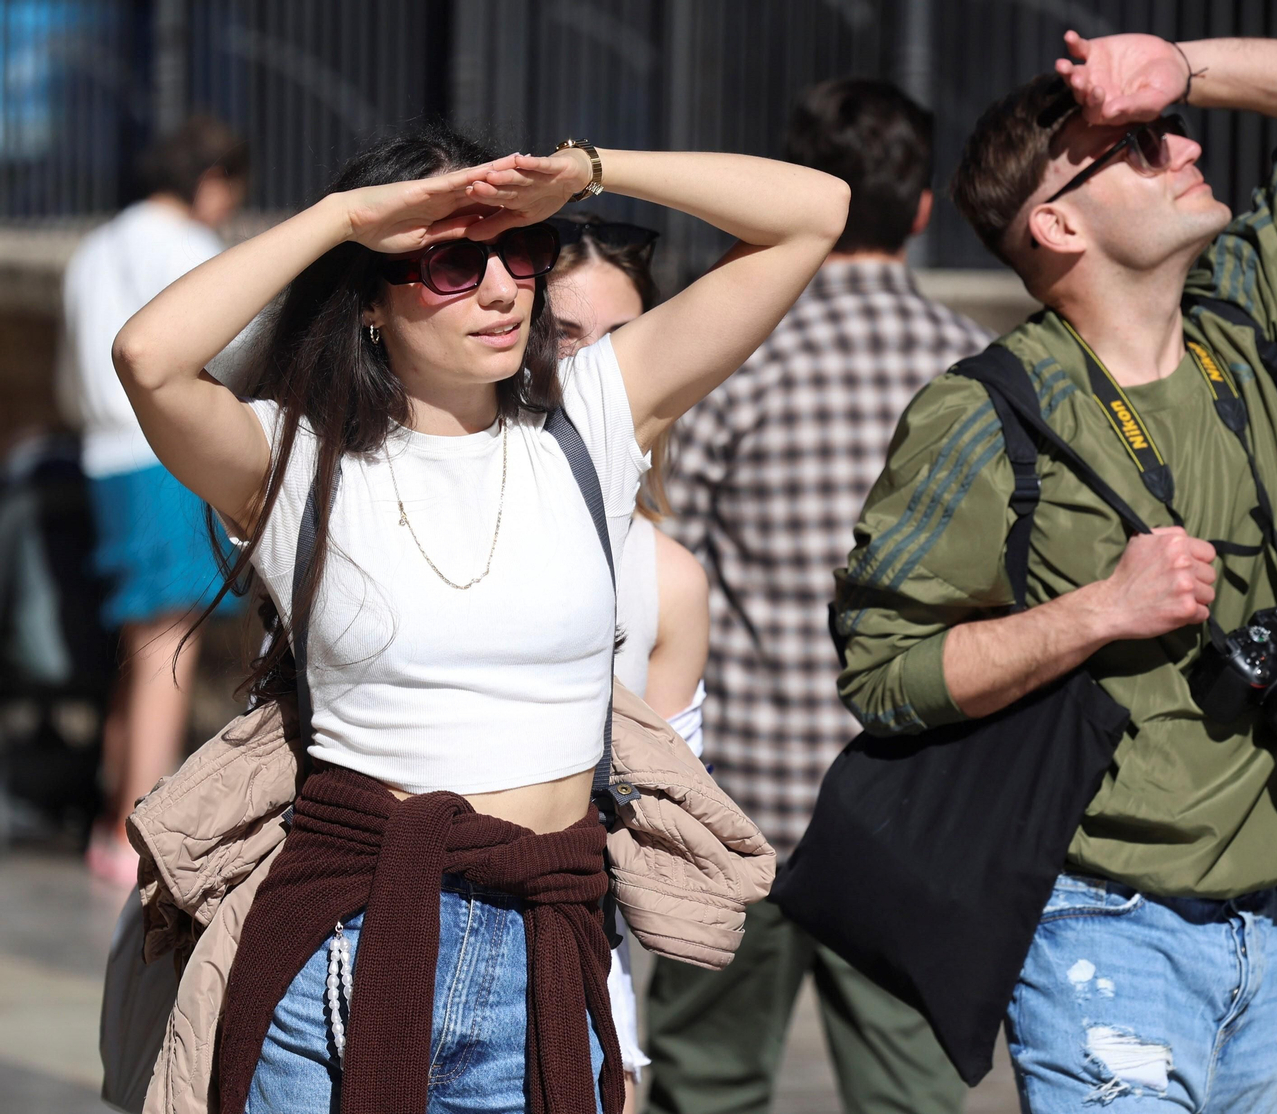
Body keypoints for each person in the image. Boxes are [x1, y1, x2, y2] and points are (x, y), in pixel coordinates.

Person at [110, 123, 848, 1113]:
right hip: (343, 944)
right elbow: (148, 355)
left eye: (520, 252)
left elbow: (813, 217)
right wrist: (344, 218)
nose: (503, 287)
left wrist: (588, 174)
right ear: (371, 300)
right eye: (452, 262)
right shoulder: (292, 460)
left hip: (547, 937)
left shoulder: (595, 414)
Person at [835, 30, 1277, 1112]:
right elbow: (883, 674)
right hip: (1103, 922)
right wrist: (1100, 610)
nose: (1185, 144)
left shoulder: (1244, 333)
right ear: (1056, 224)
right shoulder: (983, 411)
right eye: (1141, 146)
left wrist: (1177, 65)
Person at [647, 78, 989, 1114]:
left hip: (744, 802)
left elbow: (660, 582)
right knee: (913, 1094)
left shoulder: (727, 361)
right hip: (913, 811)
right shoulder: (979, 371)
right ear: (925, 206)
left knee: (703, 1083)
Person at [55, 116, 249, 887]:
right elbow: (240, 345)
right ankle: (141, 835)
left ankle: (113, 821)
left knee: (140, 644)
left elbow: (76, 371)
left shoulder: (96, 247)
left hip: (101, 453)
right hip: (159, 452)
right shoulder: (184, 247)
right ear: (212, 183)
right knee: (171, 641)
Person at [547, 211, 712, 1113]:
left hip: (578, 976)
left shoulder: (669, 578)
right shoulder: (391, 498)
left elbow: (654, 828)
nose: (592, 370)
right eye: (564, 335)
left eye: (623, 340)